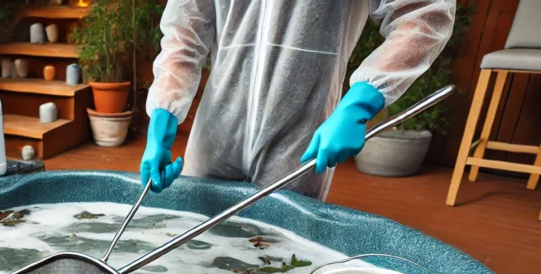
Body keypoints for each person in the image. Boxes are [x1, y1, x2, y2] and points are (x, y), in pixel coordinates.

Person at [140, 0, 456, 199]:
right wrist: (162, 117)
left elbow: (425, 14)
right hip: (216, 131)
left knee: (279, 264)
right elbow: (185, 29)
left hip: (301, 134)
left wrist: (360, 101)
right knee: (197, 254)